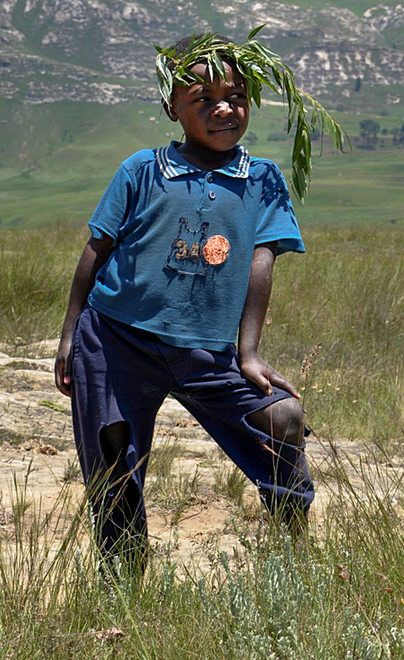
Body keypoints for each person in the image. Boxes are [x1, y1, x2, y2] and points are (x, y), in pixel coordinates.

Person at [54, 32, 316, 573]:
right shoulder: (141, 170)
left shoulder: (263, 180)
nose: (225, 109)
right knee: (114, 461)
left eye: (238, 97)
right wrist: (69, 336)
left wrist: (248, 354)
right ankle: (124, 582)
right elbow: (97, 249)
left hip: (210, 352)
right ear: (172, 107)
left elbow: (261, 265)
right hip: (116, 341)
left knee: (282, 418)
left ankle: (291, 557)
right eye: (203, 100)